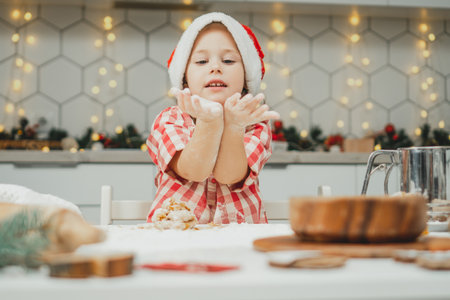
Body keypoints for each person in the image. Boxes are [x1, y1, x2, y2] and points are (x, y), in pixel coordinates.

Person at [146, 12, 280, 224]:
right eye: (201, 61)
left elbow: (230, 175)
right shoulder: (170, 119)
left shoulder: (254, 122)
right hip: (177, 237)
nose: (215, 67)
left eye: (228, 60)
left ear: (246, 79)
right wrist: (209, 122)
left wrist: (234, 126)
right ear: (185, 79)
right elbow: (193, 171)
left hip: (240, 239)